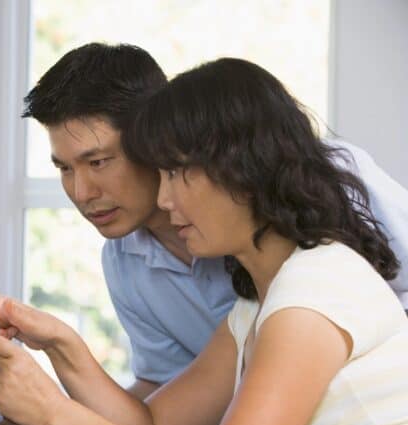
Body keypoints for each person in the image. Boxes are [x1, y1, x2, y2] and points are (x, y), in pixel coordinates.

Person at [0, 58, 408, 425]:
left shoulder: (314, 294)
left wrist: (50, 412)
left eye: (176, 173)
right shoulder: (257, 303)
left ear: (242, 169)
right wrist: (62, 348)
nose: (165, 199)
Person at [21, 43, 408, 399]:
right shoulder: (133, 267)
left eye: (98, 162)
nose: (81, 192)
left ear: (149, 135)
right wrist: (58, 411)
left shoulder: (328, 187)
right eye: (63, 168)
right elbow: (172, 399)